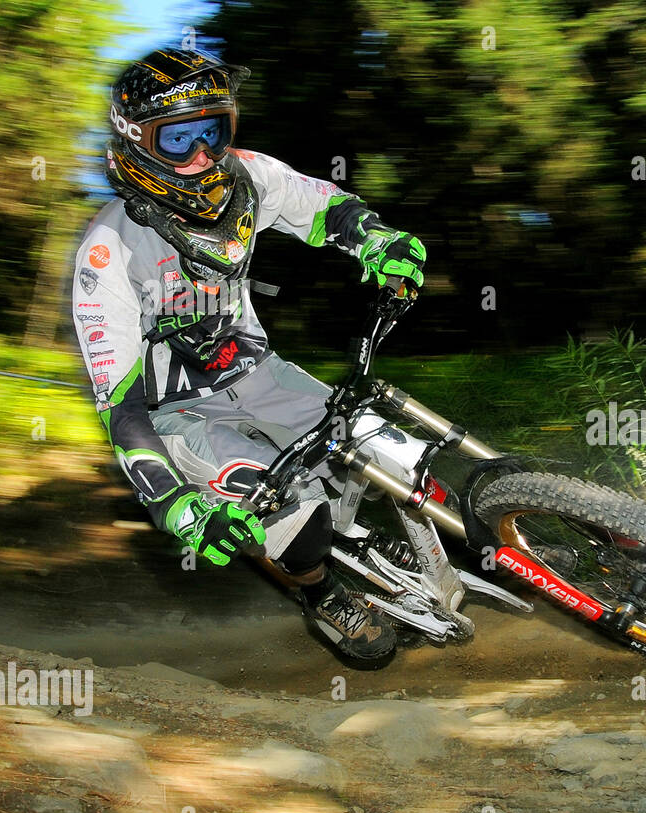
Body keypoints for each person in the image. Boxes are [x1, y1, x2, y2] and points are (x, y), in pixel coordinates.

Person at [72, 47, 428, 660]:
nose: (203, 156)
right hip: (175, 413)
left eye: (212, 132)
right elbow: (122, 409)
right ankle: (320, 593)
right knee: (296, 522)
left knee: (398, 455)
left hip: (260, 372)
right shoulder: (107, 251)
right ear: (135, 142)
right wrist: (171, 502)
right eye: (178, 140)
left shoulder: (248, 175)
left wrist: (380, 239)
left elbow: (322, 206)